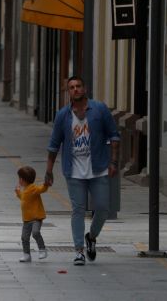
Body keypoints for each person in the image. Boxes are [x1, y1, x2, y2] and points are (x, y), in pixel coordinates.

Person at [45, 76, 120, 266]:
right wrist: (49, 170)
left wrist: (113, 162)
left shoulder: (99, 109)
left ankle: (91, 237)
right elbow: (54, 145)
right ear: (68, 92)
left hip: (99, 168)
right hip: (74, 170)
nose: (76, 89)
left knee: (103, 208)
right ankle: (78, 250)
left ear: (84, 88)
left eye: (78, 86)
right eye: (71, 87)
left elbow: (114, 135)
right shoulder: (63, 115)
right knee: (77, 210)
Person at [15, 166, 48, 262]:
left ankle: (42, 249)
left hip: (36, 218)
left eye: (20, 178)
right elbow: (24, 199)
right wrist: (18, 193)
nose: (19, 180)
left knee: (35, 232)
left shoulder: (33, 188)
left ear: (23, 179)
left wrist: (46, 184)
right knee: (24, 237)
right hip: (26, 219)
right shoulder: (25, 189)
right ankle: (26, 254)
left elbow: (41, 189)